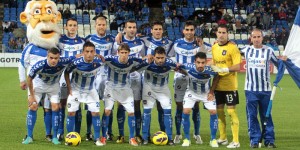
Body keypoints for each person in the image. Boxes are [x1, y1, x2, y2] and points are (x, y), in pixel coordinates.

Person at [18, 0, 62, 142]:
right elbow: (21, 64)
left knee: (50, 109)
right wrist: (22, 80)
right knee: (33, 106)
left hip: (52, 83)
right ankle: (29, 135)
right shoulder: (30, 47)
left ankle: (50, 135)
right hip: (35, 83)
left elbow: (62, 66)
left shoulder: (56, 48)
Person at [167, 20, 211, 144]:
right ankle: (179, 134)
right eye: (187, 29)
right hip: (180, 79)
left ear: (195, 31)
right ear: (183, 31)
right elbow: (169, 57)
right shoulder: (176, 43)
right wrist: (174, 65)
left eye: (192, 30)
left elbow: (216, 49)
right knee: (180, 106)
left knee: (195, 106)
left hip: (195, 80)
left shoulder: (199, 43)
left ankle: (196, 134)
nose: (189, 32)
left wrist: (201, 45)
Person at [101, 43, 152, 146]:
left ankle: (132, 138)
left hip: (125, 88)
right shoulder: (110, 59)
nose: (124, 55)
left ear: (129, 53)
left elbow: (143, 60)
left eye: (126, 53)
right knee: (107, 111)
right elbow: (100, 60)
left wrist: (148, 57)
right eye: (122, 53)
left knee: (131, 113)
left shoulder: (132, 60)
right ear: (118, 53)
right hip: (111, 87)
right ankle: (103, 137)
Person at [22, 48, 74, 145]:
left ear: (59, 57)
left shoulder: (63, 61)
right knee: (33, 106)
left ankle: (54, 137)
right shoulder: (39, 65)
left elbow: (76, 57)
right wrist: (31, 95)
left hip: (53, 86)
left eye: (56, 58)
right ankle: (29, 136)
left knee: (55, 108)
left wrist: (96, 55)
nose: (53, 60)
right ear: (47, 56)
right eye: (51, 58)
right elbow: (29, 79)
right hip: (39, 85)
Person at [241, 29, 278, 148]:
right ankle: (255, 140)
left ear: (262, 38)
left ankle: (269, 140)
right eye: (254, 37)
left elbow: (279, 65)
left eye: (258, 37)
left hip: (266, 90)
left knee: (266, 115)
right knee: (252, 116)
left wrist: (279, 77)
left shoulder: (269, 51)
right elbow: (231, 53)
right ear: (251, 39)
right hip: (250, 90)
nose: (256, 39)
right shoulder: (246, 50)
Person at [64, 41, 104, 146]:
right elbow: (66, 72)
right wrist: (69, 88)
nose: (89, 54)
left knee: (95, 113)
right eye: (87, 51)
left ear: (94, 52)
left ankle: (96, 139)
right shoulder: (76, 63)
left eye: (91, 51)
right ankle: (69, 137)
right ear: (83, 52)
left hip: (90, 91)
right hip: (76, 90)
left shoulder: (99, 62)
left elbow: (109, 60)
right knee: (71, 113)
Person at [134, 46, 176, 145]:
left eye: (162, 58)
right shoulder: (147, 64)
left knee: (168, 112)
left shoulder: (170, 64)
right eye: (158, 58)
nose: (160, 60)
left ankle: (169, 138)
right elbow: (133, 69)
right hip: (149, 89)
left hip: (163, 90)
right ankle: (145, 138)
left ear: (165, 56)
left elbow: (181, 68)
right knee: (147, 112)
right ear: (154, 57)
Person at [112, 20, 145, 143]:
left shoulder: (140, 43)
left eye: (134, 27)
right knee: (121, 105)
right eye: (129, 27)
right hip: (122, 79)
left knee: (136, 105)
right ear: (124, 29)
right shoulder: (118, 43)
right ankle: (121, 134)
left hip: (136, 79)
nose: (132, 29)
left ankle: (137, 133)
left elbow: (143, 58)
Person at [178, 52, 219, 147]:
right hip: (191, 93)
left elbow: (217, 76)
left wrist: (211, 92)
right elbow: (178, 67)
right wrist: (180, 69)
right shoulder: (188, 66)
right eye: (198, 62)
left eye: (203, 63)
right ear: (194, 62)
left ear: (206, 62)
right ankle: (187, 139)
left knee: (213, 112)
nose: (200, 65)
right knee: (186, 110)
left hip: (206, 93)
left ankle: (213, 139)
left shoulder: (210, 70)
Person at [210, 24, 242, 148]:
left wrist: (224, 69)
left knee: (231, 112)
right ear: (216, 33)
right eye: (219, 32)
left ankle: (236, 141)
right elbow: (214, 63)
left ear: (227, 34)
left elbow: (238, 66)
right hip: (218, 86)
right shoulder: (214, 47)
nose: (221, 35)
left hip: (230, 86)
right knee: (219, 113)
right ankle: (223, 138)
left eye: (224, 32)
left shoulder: (233, 48)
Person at [85, 16, 115, 141]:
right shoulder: (89, 39)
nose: (101, 27)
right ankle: (88, 132)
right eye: (99, 25)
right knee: (90, 105)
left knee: (109, 106)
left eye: (103, 25)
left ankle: (108, 131)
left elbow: (116, 55)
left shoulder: (112, 40)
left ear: (106, 26)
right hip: (92, 77)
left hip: (108, 77)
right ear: (95, 26)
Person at [57, 18, 85, 141]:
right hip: (63, 75)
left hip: (77, 76)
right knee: (62, 104)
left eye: (74, 25)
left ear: (77, 27)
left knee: (77, 104)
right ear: (66, 27)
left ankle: (77, 132)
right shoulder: (60, 41)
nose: (72, 27)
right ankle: (60, 131)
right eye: (70, 25)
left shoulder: (83, 41)